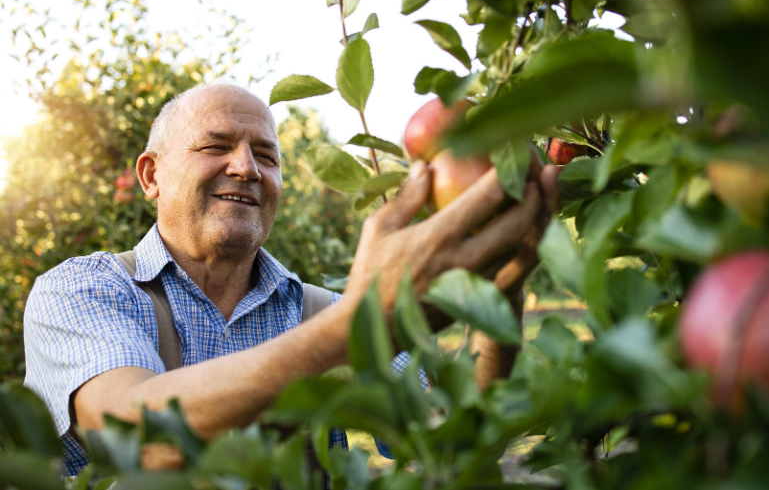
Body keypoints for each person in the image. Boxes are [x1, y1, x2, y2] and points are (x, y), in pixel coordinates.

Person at [23, 83, 559, 475]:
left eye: (266, 155)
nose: (247, 168)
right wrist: (355, 328)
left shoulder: (318, 311)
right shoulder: (83, 291)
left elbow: (455, 440)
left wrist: (502, 288)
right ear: (150, 176)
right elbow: (136, 439)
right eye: (215, 146)